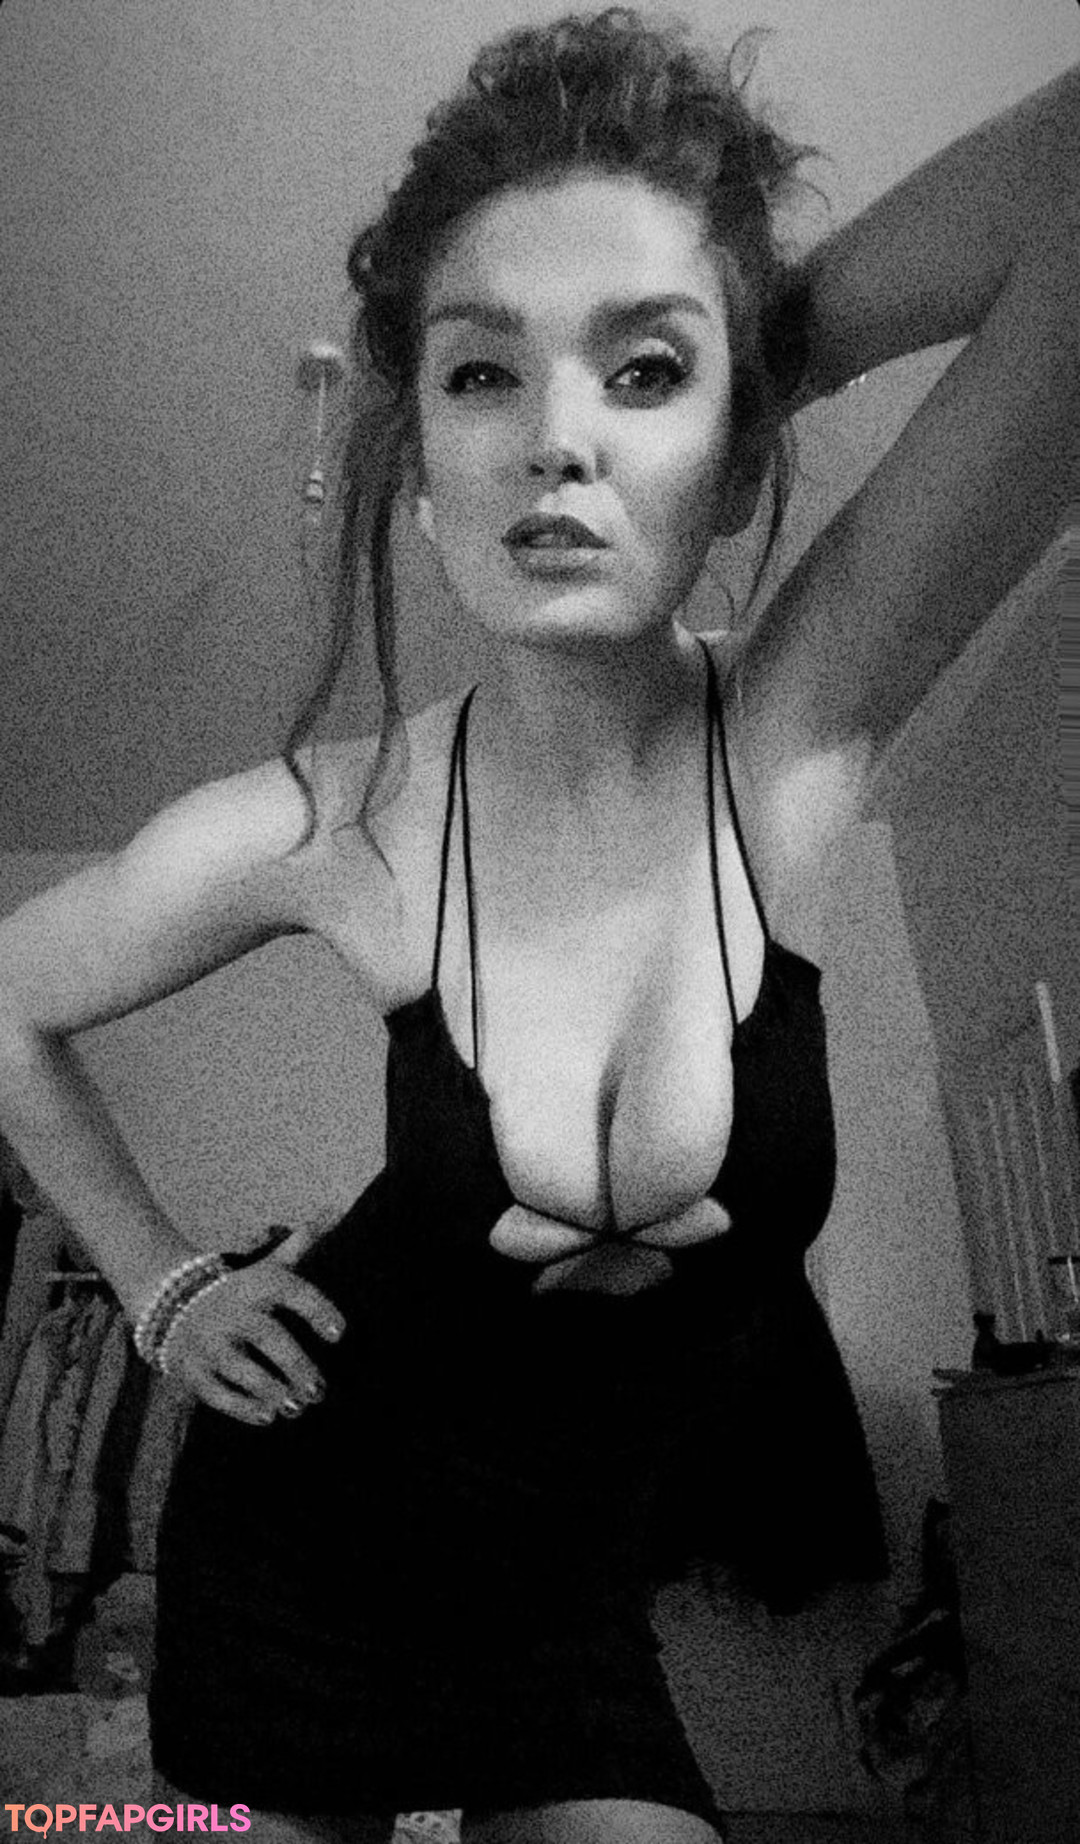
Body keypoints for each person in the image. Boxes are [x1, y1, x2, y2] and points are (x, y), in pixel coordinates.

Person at [0, 8, 1076, 1840]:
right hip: (301, 1559)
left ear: (740, 447)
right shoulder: (335, 824)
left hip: (564, 1612)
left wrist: (744, 362)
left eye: (642, 374)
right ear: (419, 465)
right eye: (486, 375)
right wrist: (167, 1289)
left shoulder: (798, 735)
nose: (557, 440)